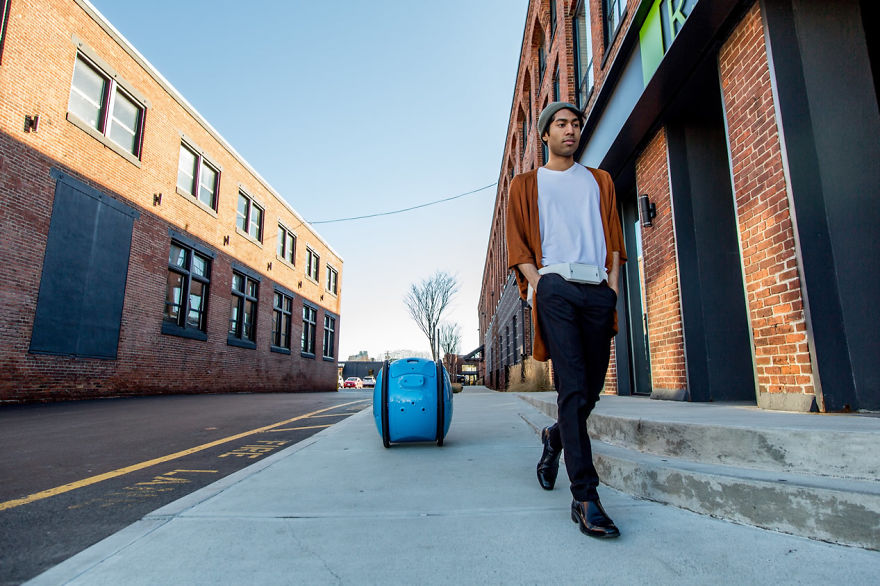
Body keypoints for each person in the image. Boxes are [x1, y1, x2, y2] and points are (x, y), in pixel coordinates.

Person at [506, 102, 627, 539]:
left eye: (575, 124)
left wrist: (612, 286)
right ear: (545, 135)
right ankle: (586, 497)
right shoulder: (525, 184)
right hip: (555, 286)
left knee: (590, 391)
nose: (570, 130)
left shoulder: (601, 181)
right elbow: (516, 244)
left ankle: (554, 438)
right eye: (561, 124)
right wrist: (539, 284)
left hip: (597, 288)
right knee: (572, 386)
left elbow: (614, 237)